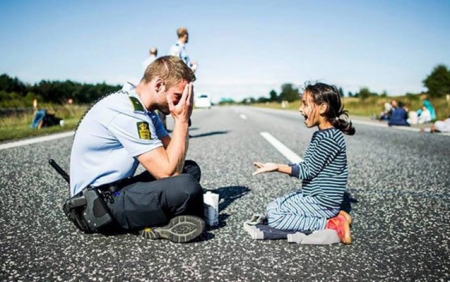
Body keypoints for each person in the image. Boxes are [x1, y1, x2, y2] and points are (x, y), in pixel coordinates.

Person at [69, 56, 205, 243]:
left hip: (117, 188)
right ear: (159, 85)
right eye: (178, 96)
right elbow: (169, 172)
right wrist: (181, 120)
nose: (182, 103)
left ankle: (156, 214)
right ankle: (151, 222)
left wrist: (182, 121)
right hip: (98, 205)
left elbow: (173, 152)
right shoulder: (126, 110)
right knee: (186, 187)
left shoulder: (144, 109)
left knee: (190, 169)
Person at [251, 82, 355, 244]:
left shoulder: (328, 139)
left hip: (322, 202)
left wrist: (277, 167)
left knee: (275, 218)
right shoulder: (323, 135)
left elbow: (307, 171)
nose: (300, 109)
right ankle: (336, 215)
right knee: (273, 206)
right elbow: (311, 166)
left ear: (322, 108)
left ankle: (331, 223)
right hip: (314, 197)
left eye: (305, 104)